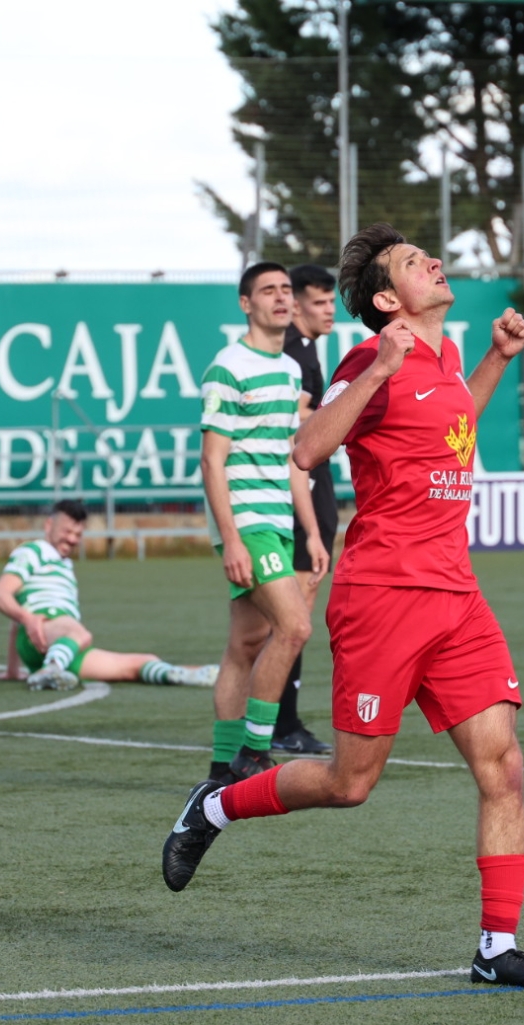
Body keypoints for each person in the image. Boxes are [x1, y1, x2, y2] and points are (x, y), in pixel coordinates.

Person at [162, 223, 524, 990]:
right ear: (389, 300)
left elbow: (453, 427)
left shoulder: (447, 359)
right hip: (383, 594)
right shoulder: (370, 356)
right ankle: (212, 809)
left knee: (504, 767)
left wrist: (495, 360)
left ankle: (495, 947)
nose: (436, 263)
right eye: (418, 263)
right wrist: (378, 370)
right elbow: (307, 449)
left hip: (457, 595)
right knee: (351, 784)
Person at [201, 261, 330, 786]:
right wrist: (230, 539)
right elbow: (212, 461)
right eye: (267, 291)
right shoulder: (227, 366)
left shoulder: (288, 371)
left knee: (245, 646)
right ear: (245, 303)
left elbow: (290, 460)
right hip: (246, 525)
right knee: (295, 626)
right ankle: (256, 749)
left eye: (284, 290)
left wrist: (314, 533)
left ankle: (219, 766)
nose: (280, 298)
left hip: (277, 523)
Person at [0, 500, 216, 691]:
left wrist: (11, 671)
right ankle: (52, 669)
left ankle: (183, 674)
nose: (72, 539)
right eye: (67, 531)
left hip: (62, 644)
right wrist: (28, 618)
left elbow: (15, 623)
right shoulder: (34, 550)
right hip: (50, 628)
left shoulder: (63, 564)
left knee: (137, 664)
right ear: (49, 525)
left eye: (78, 534)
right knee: (78, 632)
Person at [270, 263, 341, 757]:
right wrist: (342, 416)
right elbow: (295, 423)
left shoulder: (306, 347)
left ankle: (277, 722)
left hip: (312, 491)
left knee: (290, 619)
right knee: (293, 619)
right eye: (319, 303)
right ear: (295, 304)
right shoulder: (294, 350)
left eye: (332, 301)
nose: (329, 310)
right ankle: (282, 723)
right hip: (299, 495)